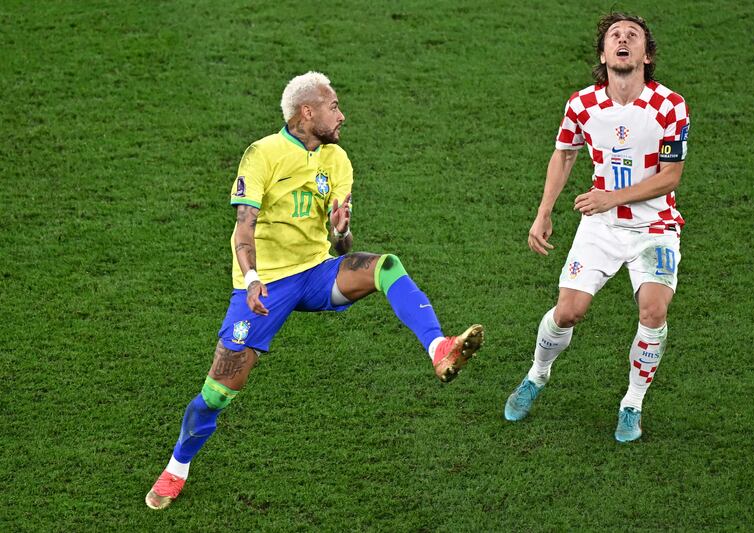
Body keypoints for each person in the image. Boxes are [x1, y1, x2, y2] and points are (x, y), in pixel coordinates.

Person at [145, 72, 484, 509]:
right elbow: (243, 228)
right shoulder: (263, 154)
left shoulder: (336, 160)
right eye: (334, 107)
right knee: (217, 393)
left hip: (316, 273)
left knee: (385, 266)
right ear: (307, 112)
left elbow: (339, 240)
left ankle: (439, 347)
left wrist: (341, 232)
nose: (341, 115)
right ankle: (177, 467)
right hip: (263, 287)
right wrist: (251, 279)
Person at [504, 12, 689, 442]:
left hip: (655, 226)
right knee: (569, 310)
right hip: (600, 227)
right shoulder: (581, 104)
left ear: (646, 53)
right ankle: (537, 374)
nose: (623, 40)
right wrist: (543, 211)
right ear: (604, 53)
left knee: (654, 310)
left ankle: (632, 403)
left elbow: (670, 175)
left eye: (633, 36)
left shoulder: (669, 105)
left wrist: (611, 197)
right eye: (614, 36)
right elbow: (564, 153)